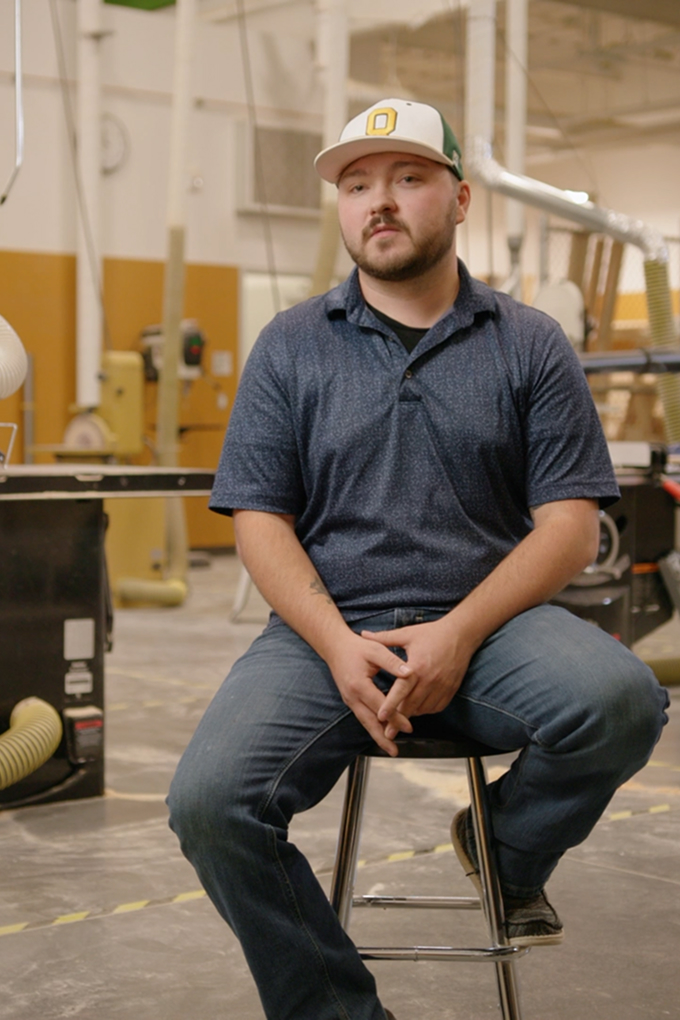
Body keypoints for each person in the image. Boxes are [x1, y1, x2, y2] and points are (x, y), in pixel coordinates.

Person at [168, 98, 669, 1020]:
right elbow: (260, 523)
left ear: (461, 198)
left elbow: (568, 525)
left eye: (407, 178)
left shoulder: (528, 343)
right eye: (357, 186)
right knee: (210, 803)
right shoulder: (290, 348)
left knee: (624, 702)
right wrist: (332, 642)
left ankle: (504, 847)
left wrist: (458, 633)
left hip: (491, 629)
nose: (379, 202)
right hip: (327, 633)